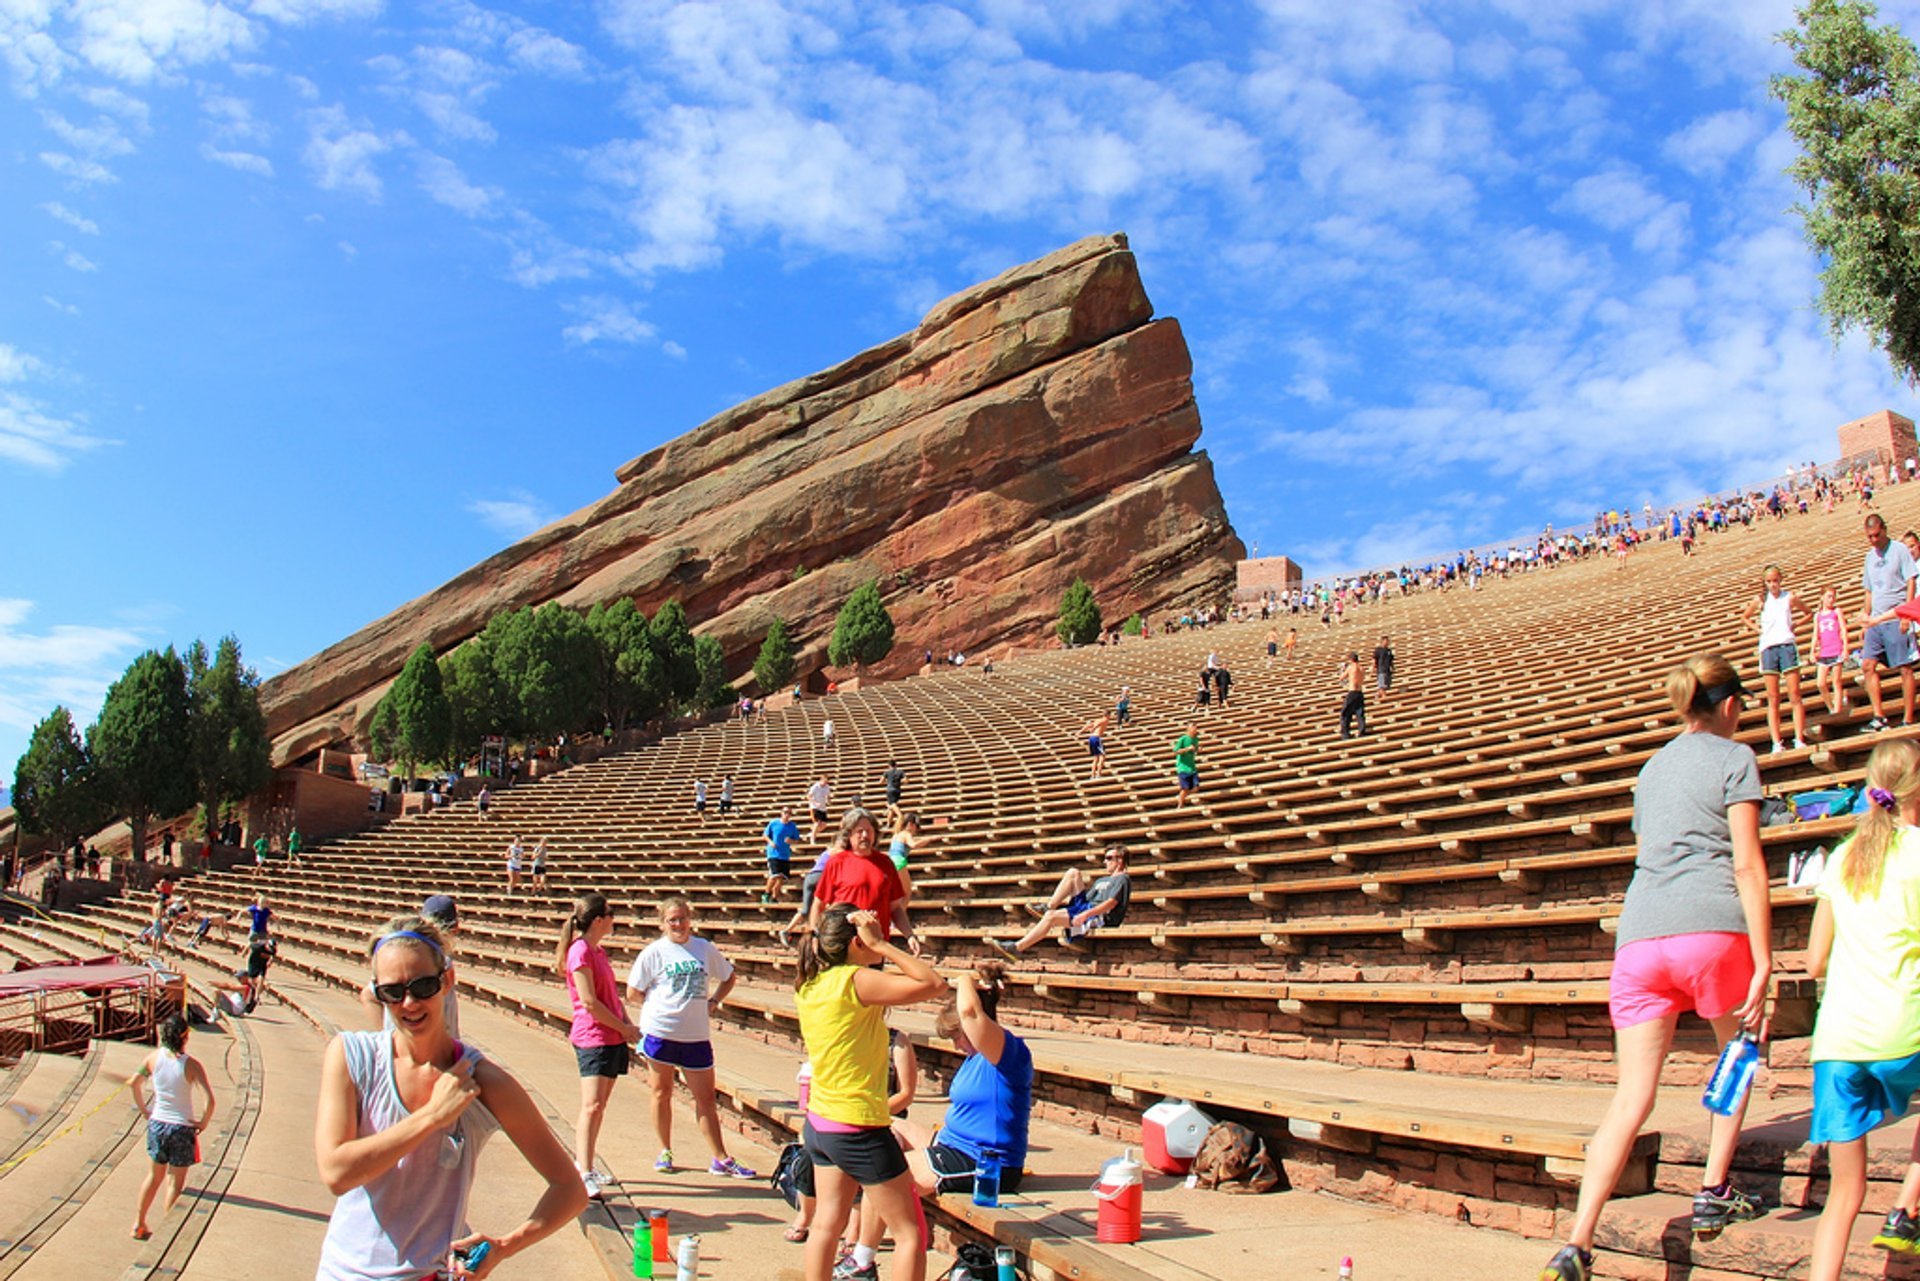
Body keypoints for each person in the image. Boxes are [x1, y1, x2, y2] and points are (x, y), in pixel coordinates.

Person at [1539, 654, 1772, 1281]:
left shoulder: (1652, 767)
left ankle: (1577, 1242)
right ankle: (1714, 1189)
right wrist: (1766, 958)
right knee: (1737, 1053)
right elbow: (1748, 864)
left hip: (1641, 938)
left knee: (1630, 1097)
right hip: (1710, 928)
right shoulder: (1735, 758)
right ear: (1728, 706)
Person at [316, 914, 585, 1279]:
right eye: (392, 993)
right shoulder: (351, 1055)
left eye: (423, 986)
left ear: (447, 980)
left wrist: (504, 1247)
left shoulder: (484, 1082)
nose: (409, 1003)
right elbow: (336, 1173)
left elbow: (570, 1188)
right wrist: (431, 1118)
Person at [1804, 740, 1920, 1276]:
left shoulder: (1844, 855)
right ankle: (1904, 1209)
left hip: (1838, 1041)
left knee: (1843, 1194)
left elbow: (1812, 961)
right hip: (1903, 1025)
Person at [793, 905, 946, 1281]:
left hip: (821, 1123)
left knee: (827, 1224)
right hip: (857, 1126)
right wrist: (884, 946)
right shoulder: (854, 980)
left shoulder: (810, 983)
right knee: (910, 1233)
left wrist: (874, 943)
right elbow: (933, 983)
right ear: (858, 941)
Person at [625, 895, 757, 1179]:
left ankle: (720, 1158)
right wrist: (660, 1007)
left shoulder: (704, 949)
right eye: (672, 919)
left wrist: (713, 1001)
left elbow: (728, 976)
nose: (679, 924)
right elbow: (633, 992)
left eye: (683, 918)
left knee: (706, 1098)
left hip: (696, 1036)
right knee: (661, 1093)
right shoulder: (654, 952)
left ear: (690, 919)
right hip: (661, 1033)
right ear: (662, 924)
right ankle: (665, 1150)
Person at [894, 966, 1031, 1202]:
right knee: (882, 1127)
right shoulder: (974, 1058)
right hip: (953, 1143)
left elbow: (969, 1012)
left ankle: (868, 1239)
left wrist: (965, 979)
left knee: (886, 1177)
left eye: (957, 1036)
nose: (956, 1045)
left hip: (984, 1160)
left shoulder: (1010, 1054)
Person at [556, 894, 638, 1199]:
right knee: (591, 1106)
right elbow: (589, 1001)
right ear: (599, 920)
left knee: (599, 1106)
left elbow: (611, 998)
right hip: (594, 1036)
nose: (614, 919)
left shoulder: (597, 952)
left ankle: (587, 1163)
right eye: (611, 913)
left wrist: (627, 1025)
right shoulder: (580, 952)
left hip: (611, 1036)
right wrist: (623, 1028)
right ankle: (583, 1170)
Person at [130, 1014, 215, 1240]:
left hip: (158, 1123)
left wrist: (144, 1110)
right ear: (185, 1036)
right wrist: (203, 1123)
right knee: (174, 1185)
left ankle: (139, 1223)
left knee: (153, 1177)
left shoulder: (153, 1058)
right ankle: (168, 1234)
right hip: (181, 1127)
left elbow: (135, 1083)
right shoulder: (192, 1065)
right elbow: (210, 1100)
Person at [809, 809, 919, 955]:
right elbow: (819, 904)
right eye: (860, 831)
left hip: (876, 947)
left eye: (869, 831)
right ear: (849, 834)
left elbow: (895, 908)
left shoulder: (886, 863)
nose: (865, 836)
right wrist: (816, 936)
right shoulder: (836, 863)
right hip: (843, 946)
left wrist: (909, 935)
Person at [986, 846, 1132, 956]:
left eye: (1108, 858)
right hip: (1088, 908)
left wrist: (1084, 915)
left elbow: (1111, 903)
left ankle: (1017, 948)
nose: (1104, 861)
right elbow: (1087, 899)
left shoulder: (1122, 879)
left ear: (1120, 861)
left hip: (1100, 917)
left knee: (1051, 917)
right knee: (1073, 872)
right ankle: (1048, 906)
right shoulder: (1102, 880)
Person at [1740, 565, 1812, 753]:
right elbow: (1745, 617)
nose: (1773, 584)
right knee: (1773, 698)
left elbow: (1808, 612)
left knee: (1794, 694)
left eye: (1775, 580)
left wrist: (1794, 626)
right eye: (1769, 581)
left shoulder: (1790, 597)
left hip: (1787, 645)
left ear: (1781, 580)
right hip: (1768, 648)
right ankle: (1777, 742)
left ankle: (1799, 738)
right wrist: (1759, 631)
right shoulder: (1761, 600)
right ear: (1765, 582)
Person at [1860, 512, 1919, 732]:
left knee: (1904, 667)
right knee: (1867, 665)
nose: (1874, 540)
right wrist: (1867, 621)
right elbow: (1869, 591)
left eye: (1876, 535)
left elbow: (1910, 581)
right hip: (1876, 618)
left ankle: (1908, 717)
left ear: (1884, 529)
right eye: (1870, 537)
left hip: (1896, 615)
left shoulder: (1899, 550)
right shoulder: (1869, 557)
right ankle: (1879, 717)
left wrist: (1907, 613)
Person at [1813, 586, 1851, 718]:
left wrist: (1845, 648)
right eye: (1829, 596)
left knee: (1836, 681)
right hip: (1824, 652)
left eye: (1833, 597)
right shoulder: (1817, 615)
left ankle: (1837, 709)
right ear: (1822, 597)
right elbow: (1815, 634)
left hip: (1836, 649)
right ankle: (1830, 706)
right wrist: (1812, 651)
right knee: (1821, 683)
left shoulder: (1837, 611)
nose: (1831, 599)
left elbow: (1843, 629)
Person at [765, 807, 802, 902]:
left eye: (789, 813)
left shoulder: (792, 826)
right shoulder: (774, 823)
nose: (787, 815)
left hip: (785, 855)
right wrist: (771, 842)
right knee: (774, 876)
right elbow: (765, 835)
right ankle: (766, 894)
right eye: (785, 812)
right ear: (781, 813)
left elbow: (797, 840)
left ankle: (774, 898)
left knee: (781, 879)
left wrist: (791, 841)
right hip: (773, 854)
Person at [1339, 651, 1368, 739]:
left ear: (1351, 659)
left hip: (1352, 691)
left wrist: (1342, 670)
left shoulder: (1351, 668)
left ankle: (1345, 733)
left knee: (1345, 713)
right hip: (1359, 692)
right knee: (1360, 713)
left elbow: (1341, 677)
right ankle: (1361, 731)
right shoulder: (1361, 668)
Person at [1173, 725, 1200, 806]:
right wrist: (1187, 749)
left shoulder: (1196, 739)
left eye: (1196, 727)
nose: (1195, 729)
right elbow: (1176, 751)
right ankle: (1179, 805)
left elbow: (1195, 749)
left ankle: (1181, 796)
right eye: (1193, 727)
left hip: (1192, 767)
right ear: (1188, 729)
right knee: (1185, 789)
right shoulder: (1183, 739)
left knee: (1196, 788)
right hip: (1183, 767)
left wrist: (1198, 749)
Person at [1082, 714, 1109, 779]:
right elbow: (1099, 723)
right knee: (1102, 756)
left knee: (1096, 758)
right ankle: (1098, 774)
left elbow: (1089, 725)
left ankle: (1092, 775)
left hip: (1091, 738)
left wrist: (1080, 731)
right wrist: (1094, 728)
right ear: (1108, 715)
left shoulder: (1097, 720)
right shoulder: (1105, 720)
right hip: (1096, 738)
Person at [808, 777, 833, 841]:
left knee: (824, 825)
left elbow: (828, 796)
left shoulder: (827, 787)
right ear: (821, 780)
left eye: (826, 782)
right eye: (824, 781)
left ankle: (813, 833)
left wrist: (828, 801)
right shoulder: (815, 787)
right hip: (815, 807)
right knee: (817, 823)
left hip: (823, 808)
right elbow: (809, 796)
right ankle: (812, 839)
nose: (825, 783)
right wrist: (815, 803)